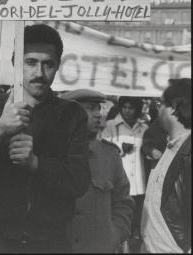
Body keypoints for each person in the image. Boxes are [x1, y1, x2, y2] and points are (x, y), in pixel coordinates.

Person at [0, 24, 90, 253]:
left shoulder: (72, 114)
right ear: (15, 65)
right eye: (31, 62)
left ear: (58, 66)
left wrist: (36, 164)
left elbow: (79, 180)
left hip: (51, 241)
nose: (39, 72)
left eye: (48, 64)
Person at [61, 89, 134, 253]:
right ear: (70, 114)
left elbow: (123, 202)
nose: (98, 114)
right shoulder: (51, 153)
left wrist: (114, 235)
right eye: (90, 108)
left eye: (98, 109)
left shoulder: (110, 155)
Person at [140, 78, 191, 253]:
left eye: (161, 103)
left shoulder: (189, 153)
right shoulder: (173, 147)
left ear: (174, 108)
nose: (158, 109)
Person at [101, 96, 148, 250]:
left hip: (139, 184)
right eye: (125, 107)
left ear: (137, 109)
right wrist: (121, 149)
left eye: (131, 107)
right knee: (119, 219)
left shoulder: (144, 128)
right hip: (119, 182)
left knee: (135, 221)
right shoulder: (109, 126)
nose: (127, 110)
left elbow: (147, 150)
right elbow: (104, 151)